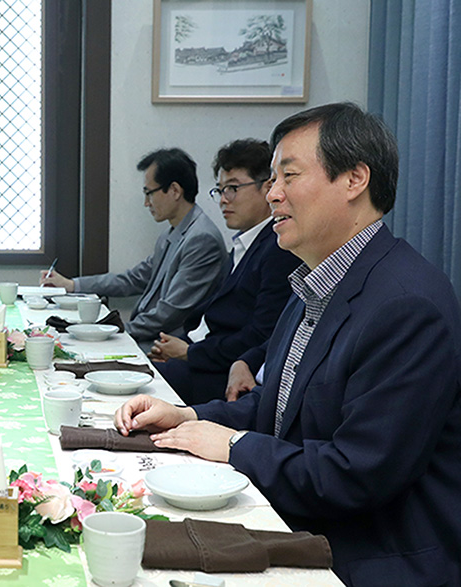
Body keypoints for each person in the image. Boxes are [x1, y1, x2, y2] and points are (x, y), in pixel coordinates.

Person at [114, 103, 461, 585]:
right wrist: (191, 417)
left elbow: (354, 475)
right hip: (306, 519)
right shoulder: (315, 284)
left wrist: (233, 446)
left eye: (288, 176)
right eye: (272, 179)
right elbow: (275, 410)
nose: (272, 194)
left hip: (371, 555)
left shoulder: (406, 304)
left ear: (354, 179)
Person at [148, 139, 300, 404]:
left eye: (233, 189)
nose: (223, 201)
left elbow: (262, 334)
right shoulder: (244, 242)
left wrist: (190, 353)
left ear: (267, 187)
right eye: (219, 190)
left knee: (131, 388)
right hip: (197, 356)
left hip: (220, 375)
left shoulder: (278, 249)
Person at [41, 148, 228, 347]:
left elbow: (171, 312)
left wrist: (114, 332)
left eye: (149, 193)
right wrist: (72, 285)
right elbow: (133, 279)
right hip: (147, 337)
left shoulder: (202, 239)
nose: (146, 203)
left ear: (174, 190)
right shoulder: (172, 234)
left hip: (166, 347)